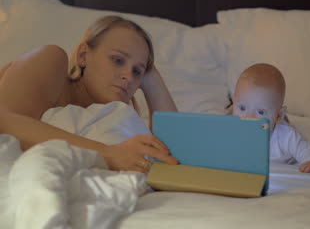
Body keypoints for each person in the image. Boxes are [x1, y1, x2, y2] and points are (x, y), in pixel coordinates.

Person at [0, 15, 178, 173]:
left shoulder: (111, 121)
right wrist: (108, 154)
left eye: (137, 71)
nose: (128, 76)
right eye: (117, 60)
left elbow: (173, 155)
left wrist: (152, 80)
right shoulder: (52, 59)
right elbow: (5, 121)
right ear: (83, 55)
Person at [232, 63, 310, 173]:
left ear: (279, 115)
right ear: (234, 103)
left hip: (281, 125)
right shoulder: (230, 130)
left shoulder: (286, 136)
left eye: (261, 112)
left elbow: (307, 150)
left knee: (287, 127)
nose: (249, 118)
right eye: (242, 108)